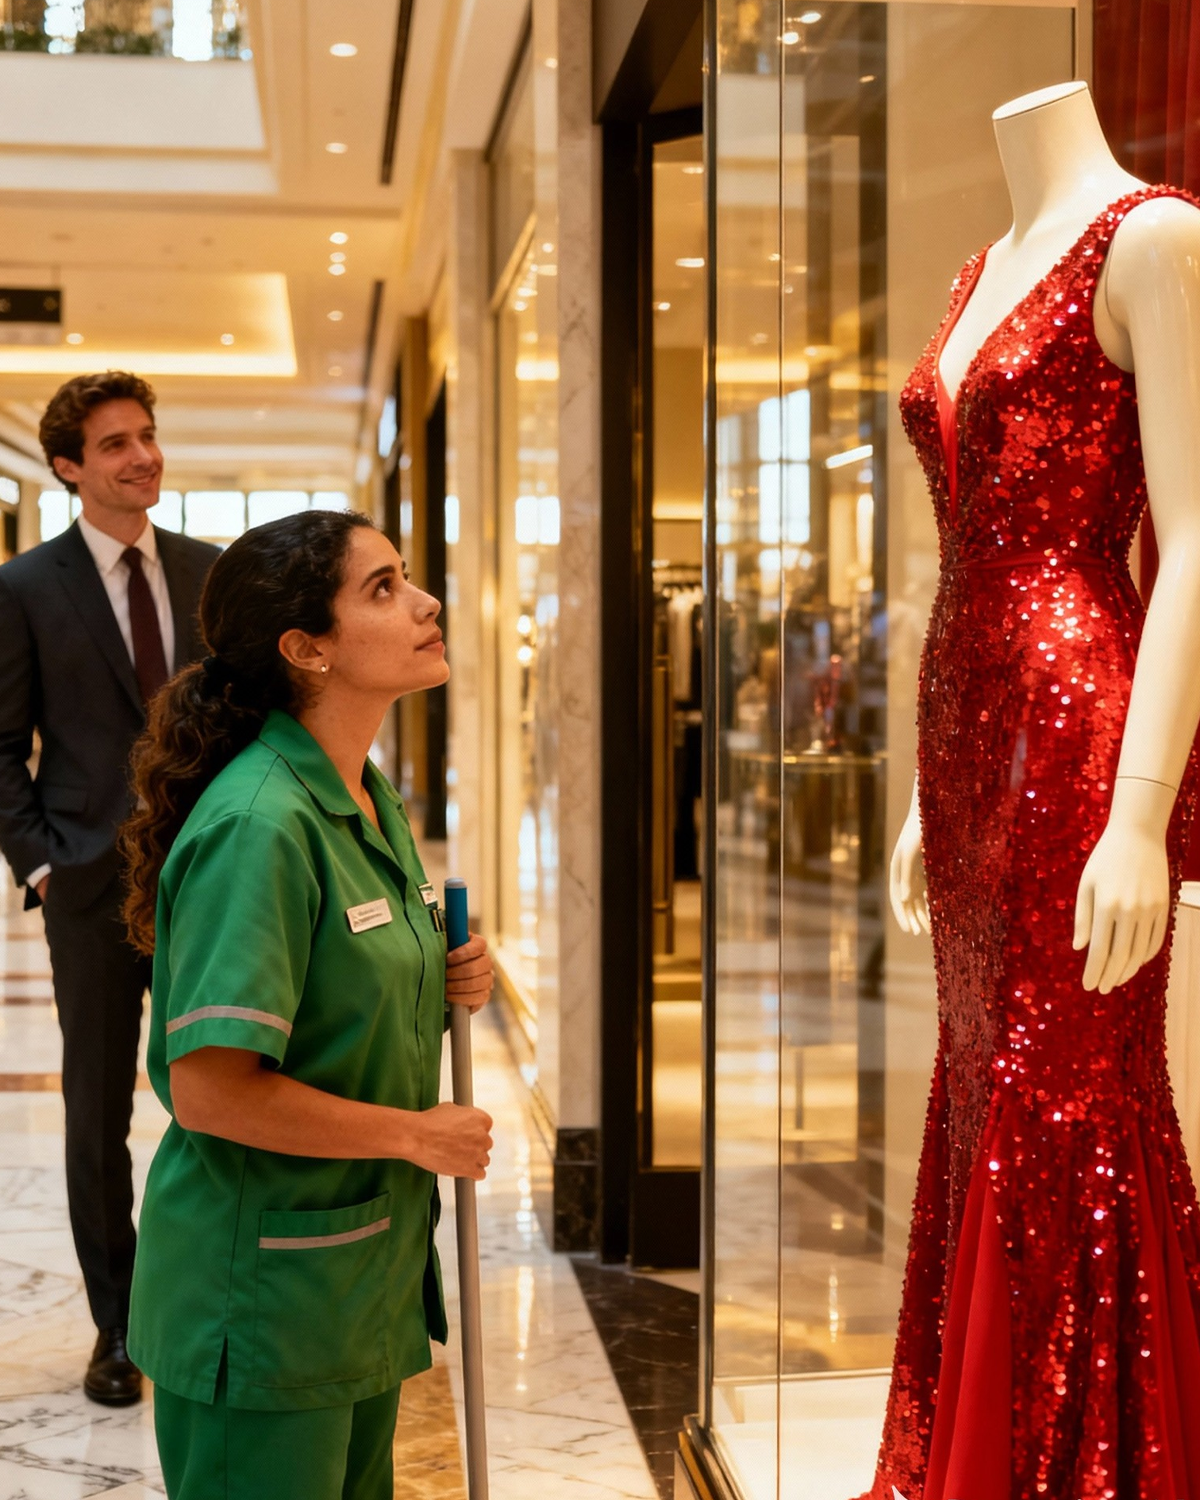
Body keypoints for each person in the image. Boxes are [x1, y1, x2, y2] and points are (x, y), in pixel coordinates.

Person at [875, 84, 1200, 1497]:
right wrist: (915, 792)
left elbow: (1195, 537)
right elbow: (969, 559)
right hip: (965, 729)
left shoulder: (1157, 240)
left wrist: (1141, 810)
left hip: (1081, 726)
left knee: (1068, 1095)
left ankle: (1089, 1462)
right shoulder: (973, 273)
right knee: (980, 1087)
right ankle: (986, 1439)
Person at [119, 509, 494, 1500]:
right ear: (306, 649)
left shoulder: (363, 795)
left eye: (407, 576)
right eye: (382, 589)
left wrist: (445, 970)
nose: (425, 603)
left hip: (351, 1284)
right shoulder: (260, 824)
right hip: (263, 1304)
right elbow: (211, 1094)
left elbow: (355, 968)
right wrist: (418, 1135)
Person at [0, 372, 218, 1405]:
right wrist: (43, 862)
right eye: (118, 444)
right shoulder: (26, 587)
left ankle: (212, 1300)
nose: (144, 456)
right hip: (89, 886)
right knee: (97, 1113)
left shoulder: (208, 574)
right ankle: (117, 1327)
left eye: (149, 436)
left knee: (224, 1088)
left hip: (213, 881)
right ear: (70, 468)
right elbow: (1, 745)